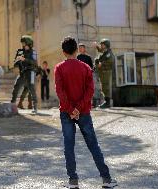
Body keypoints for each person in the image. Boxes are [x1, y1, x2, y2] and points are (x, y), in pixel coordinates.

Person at [54, 36, 117, 189]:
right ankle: (106, 179)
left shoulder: (59, 68)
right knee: (93, 145)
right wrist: (79, 108)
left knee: (69, 146)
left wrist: (70, 109)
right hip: (84, 113)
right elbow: (90, 91)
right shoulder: (86, 68)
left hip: (66, 113)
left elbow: (60, 92)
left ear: (63, 52)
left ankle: (73, 182)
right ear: (77, 50)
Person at [11, 35, 38, 113]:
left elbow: (34, 63)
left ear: (28, 43)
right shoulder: (20, 51)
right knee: (16, 87)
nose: (22, 44)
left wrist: (25, 59)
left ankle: (35, 107)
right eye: (22, 43)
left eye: (24, 43)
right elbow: (15, 62)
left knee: (32, 88)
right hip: (22, 73)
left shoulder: (33, 52)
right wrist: (16, 62)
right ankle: (12, 105)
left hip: (30, 72)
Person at [93, 39, 115, 108]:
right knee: (103, 87)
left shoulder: (109, 54)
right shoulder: (105, 51)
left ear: (106, 45)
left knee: (106, 87)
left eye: (102, 45)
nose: (101, 46)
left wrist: (101, 64)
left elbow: (110, 61)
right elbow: (100, 50)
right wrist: (96, 46)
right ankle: (106, 102)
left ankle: (107, 103)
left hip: (106, 71)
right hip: (103, 72)